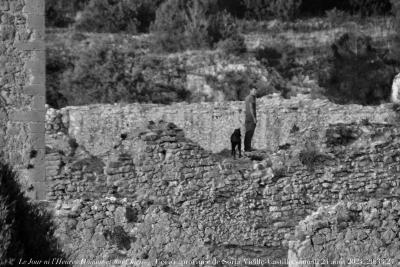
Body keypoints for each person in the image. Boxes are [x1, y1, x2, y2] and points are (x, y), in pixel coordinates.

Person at [244, 88, 257, 152]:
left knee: (247, 132)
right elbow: (251, 108)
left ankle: (246, 147)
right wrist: (254, 118)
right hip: (251, 118)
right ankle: (248, 148)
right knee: (250, 133)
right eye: (254, 90)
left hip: (247, 117)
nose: (255, 92)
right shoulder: (252, 97)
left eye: (256, 91)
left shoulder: (247, 97)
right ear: (250, 90)